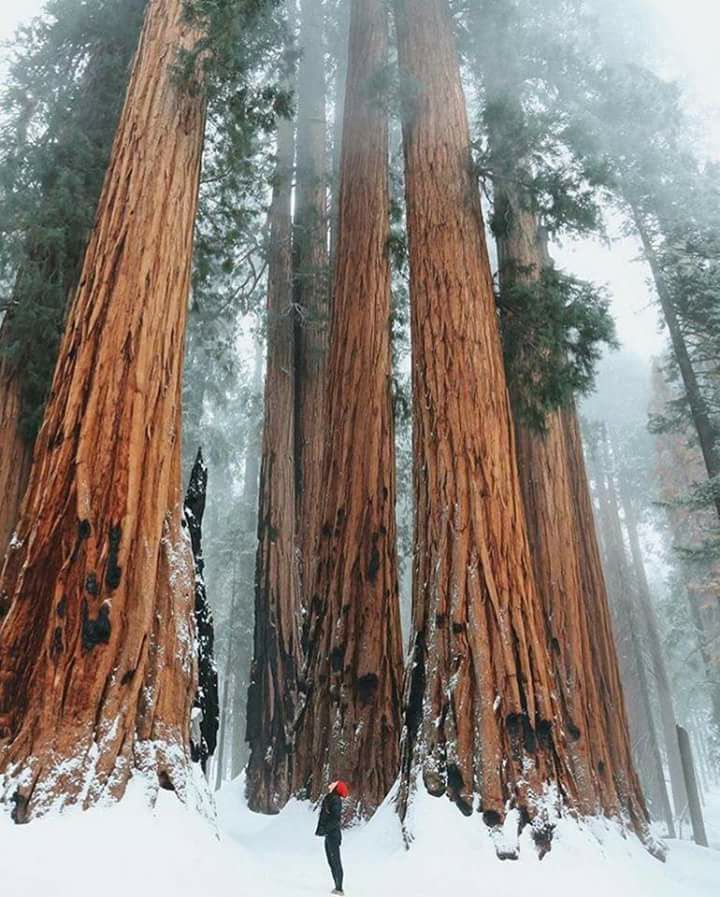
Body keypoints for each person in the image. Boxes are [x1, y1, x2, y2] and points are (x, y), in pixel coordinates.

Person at [315, 780, 349, 895]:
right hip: (330, 834)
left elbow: (335, 819)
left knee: (335, 861)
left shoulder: (335, 800)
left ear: (336, 788)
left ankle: (339, 888)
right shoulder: (331, 798)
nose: (331, 783)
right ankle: (337, 886)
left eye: (335, 783)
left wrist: (324, 829)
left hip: (333, 835)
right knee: (331, 861)